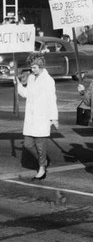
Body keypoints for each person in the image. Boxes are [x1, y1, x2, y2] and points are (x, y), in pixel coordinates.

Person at [15, 52, 59, 180]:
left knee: (40, 147)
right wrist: (17, 85)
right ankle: (43, 162)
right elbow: (26, 94)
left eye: (34, 67)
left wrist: (54, 118)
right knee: (28, 144)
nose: (32, 69)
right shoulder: (31, 78)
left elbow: (52, 100)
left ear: (41, 66)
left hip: (42, 118)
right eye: (31, 67)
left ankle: (42, 168)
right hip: (31, 118)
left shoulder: (48, 80)